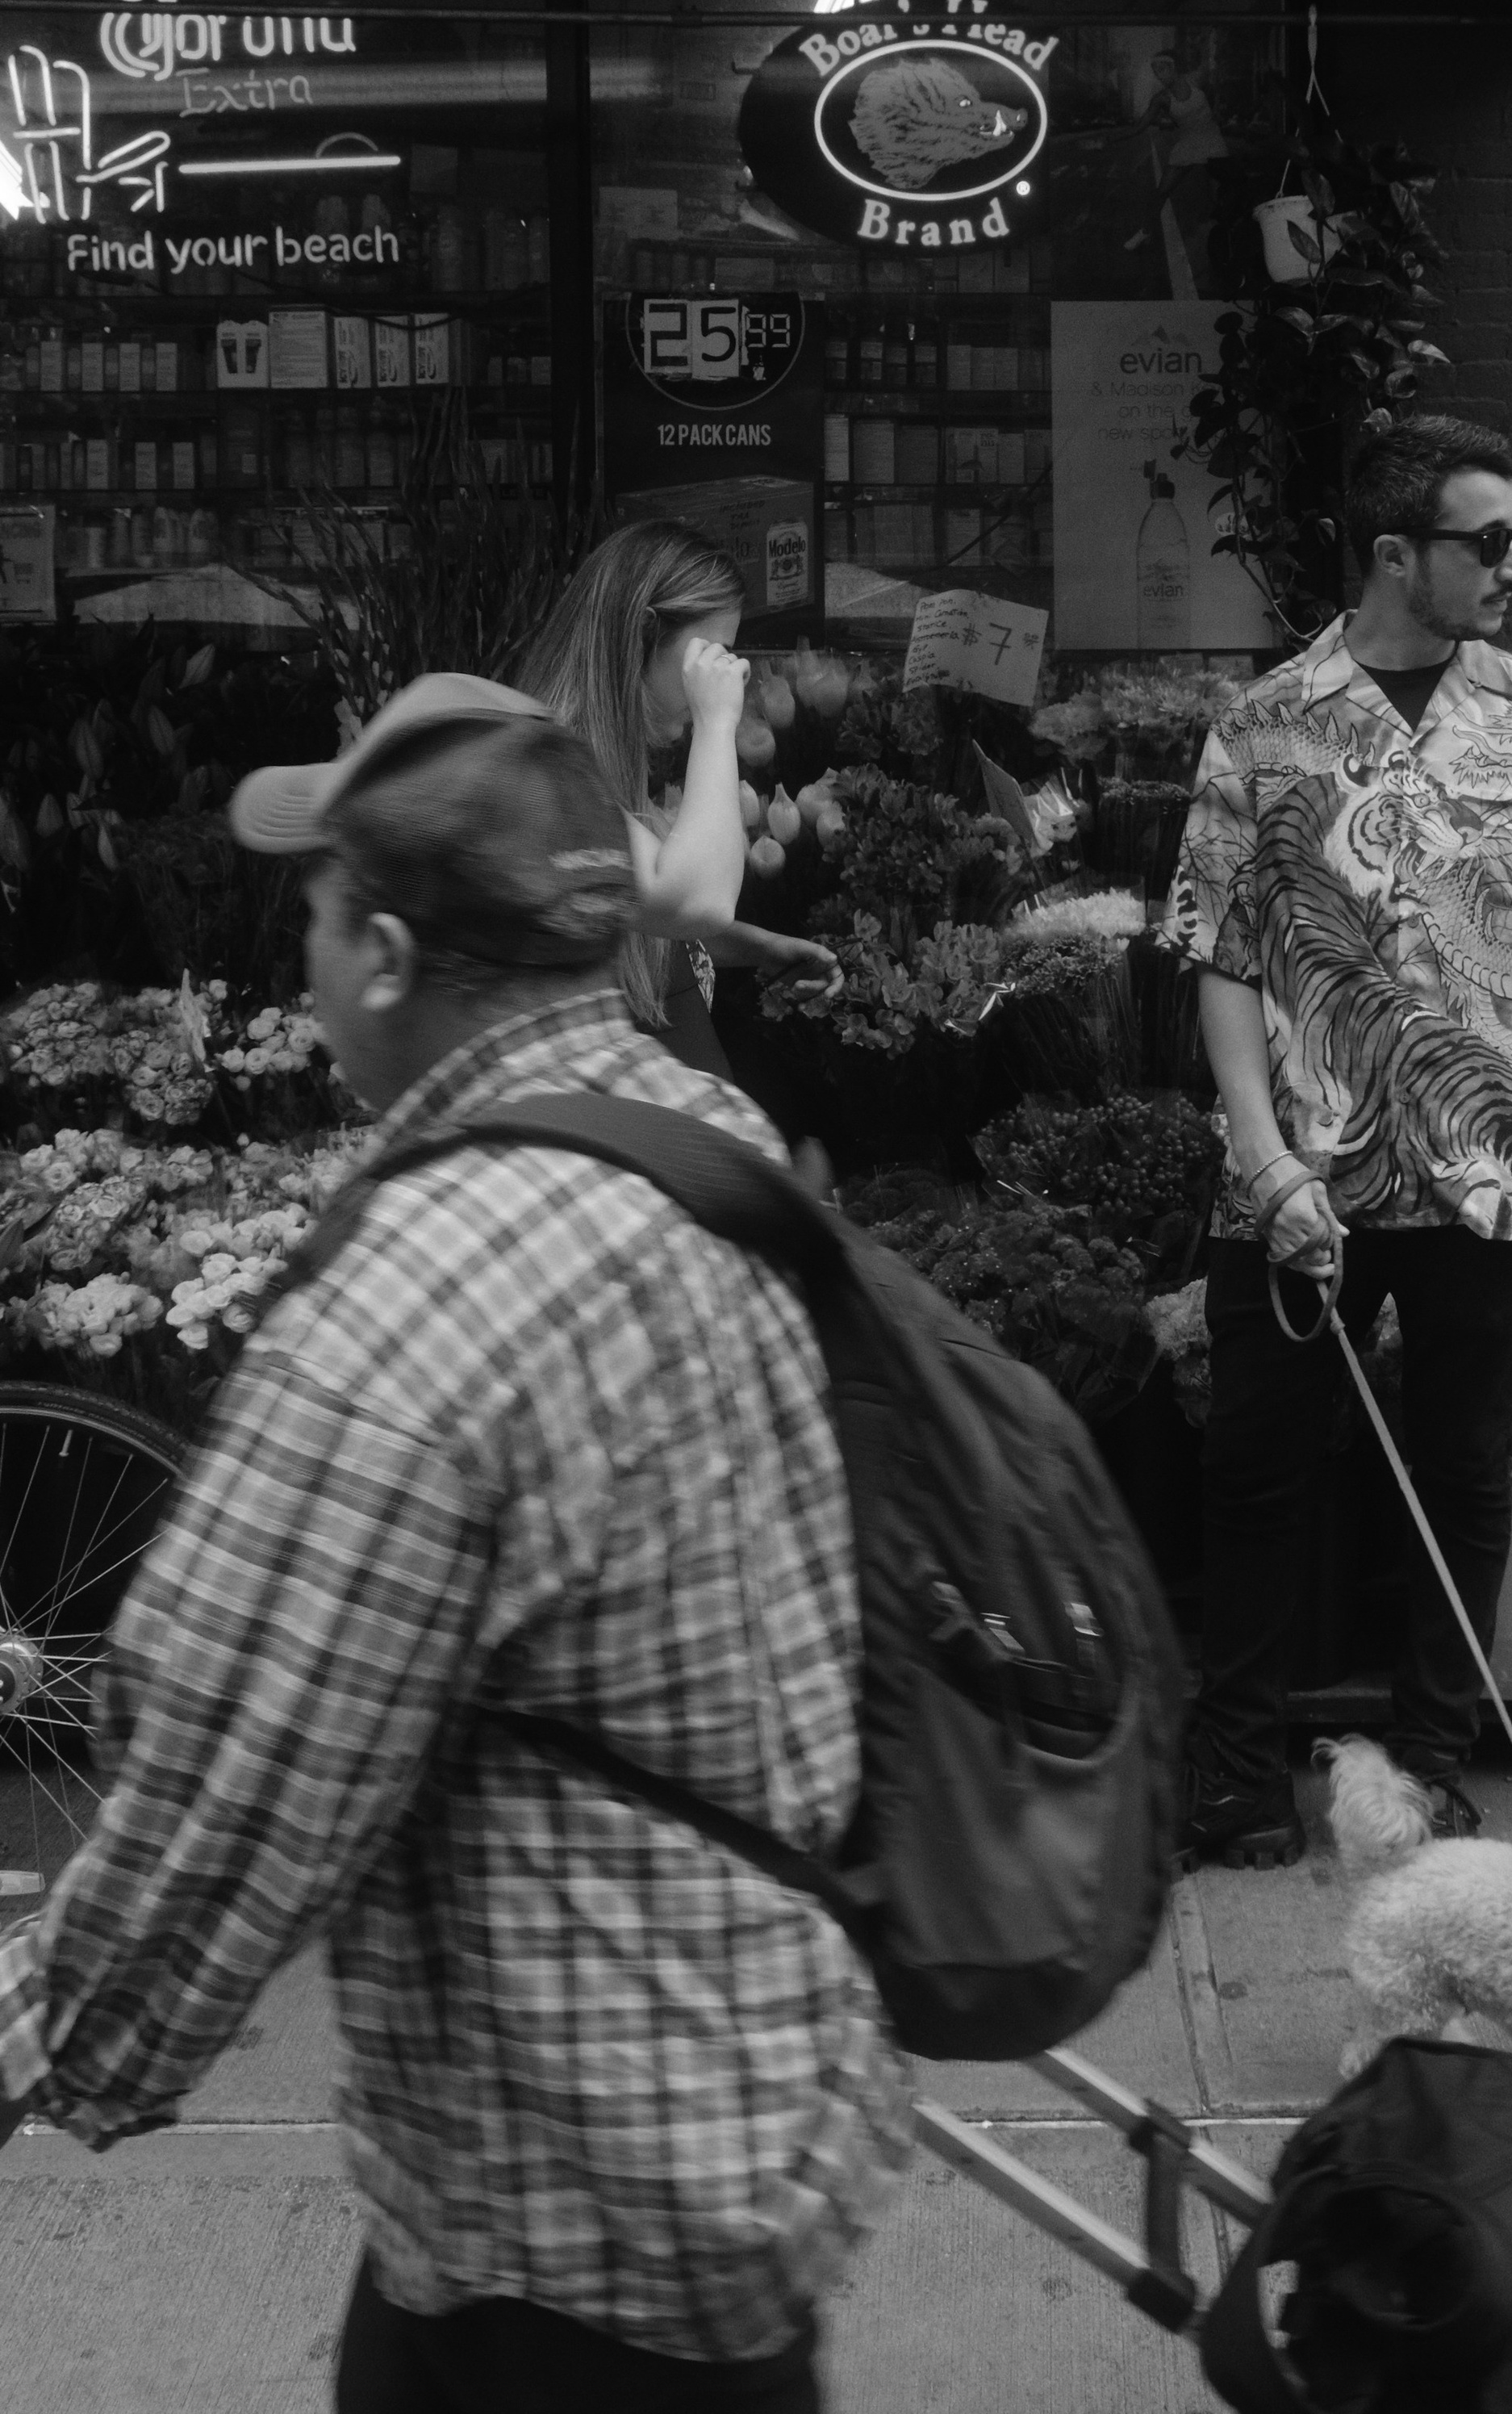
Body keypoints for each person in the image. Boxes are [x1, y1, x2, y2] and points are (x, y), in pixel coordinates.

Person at [0, 676, 908, 2408]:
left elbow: (235, 1783)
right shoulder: (697, 1139)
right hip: (749, 2095)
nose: (303, 953)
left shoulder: (419, 1296)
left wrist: (53, 2039)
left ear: (394, 958)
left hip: (567, 2212)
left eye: (321, 909)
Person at [1164, 413, 1512, 1867]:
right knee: (1256, 1474)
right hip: (1296, 1182)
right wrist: (1261, 1161)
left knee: (1463, 1473)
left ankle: (1435, 1758)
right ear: (1397, 554)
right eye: (1489, 541)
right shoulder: (1266, 725)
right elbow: (1221, 951)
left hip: (1491, 1179)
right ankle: (1239, 1776)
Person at [517, 521, 837, 1082]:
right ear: (642, 638)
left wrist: (753, 947)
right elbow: (698, 901)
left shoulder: (601, 760)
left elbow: (636, 905)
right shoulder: (552, 767)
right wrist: (717, 722)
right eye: (713, 655)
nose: (728, 675)